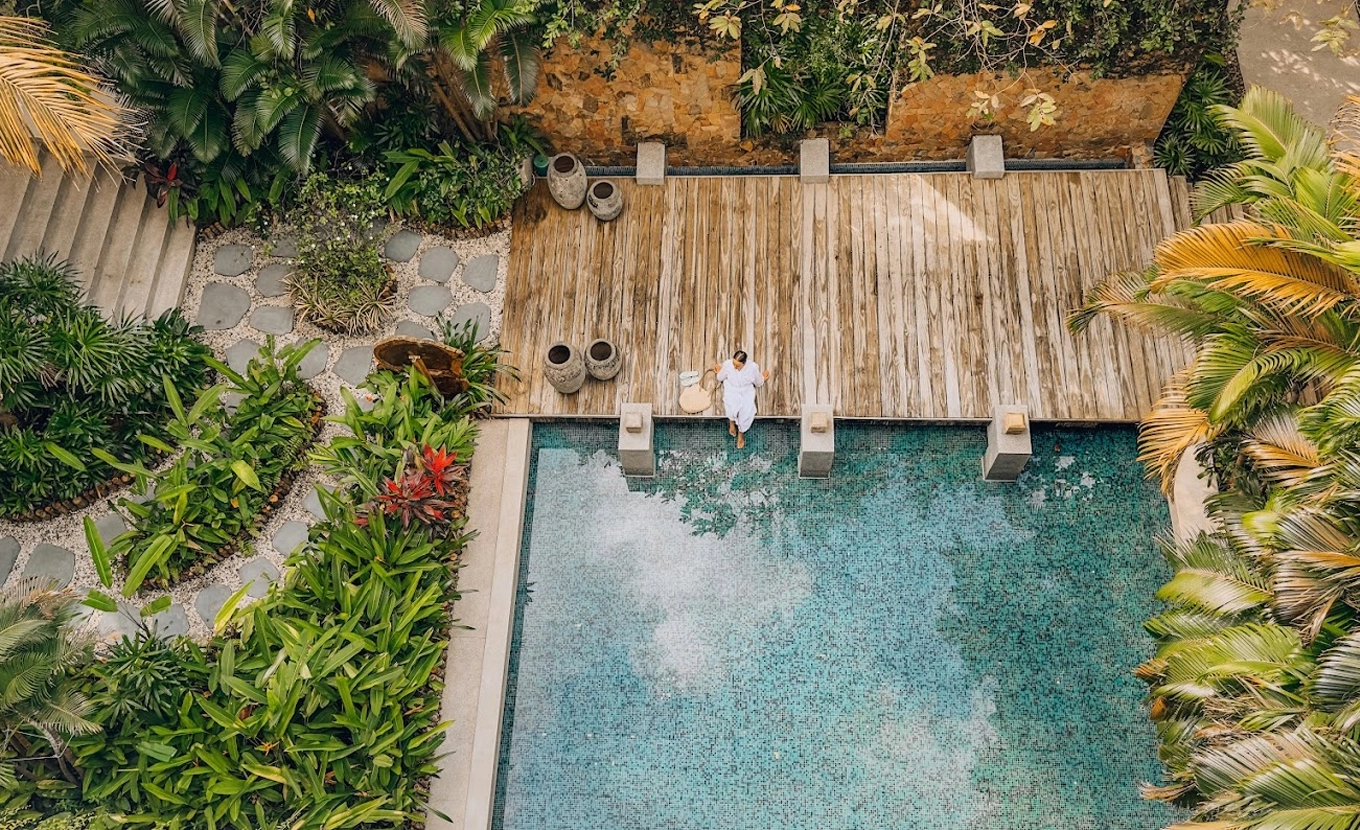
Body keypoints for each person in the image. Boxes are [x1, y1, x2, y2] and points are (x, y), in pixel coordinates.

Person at [712, 350, 770, 449]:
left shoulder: (752, 368)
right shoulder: (728, 365)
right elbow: (720, 377)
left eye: (737, 365)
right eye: (734, 364)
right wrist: (719, 372)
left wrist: (762, 378)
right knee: (730, 407)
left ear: (744, 363)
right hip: (732, 389)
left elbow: (758, 382)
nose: (734, 367)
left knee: (746, 412)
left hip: (746, 391)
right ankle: (732, 424)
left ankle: (741, 434)